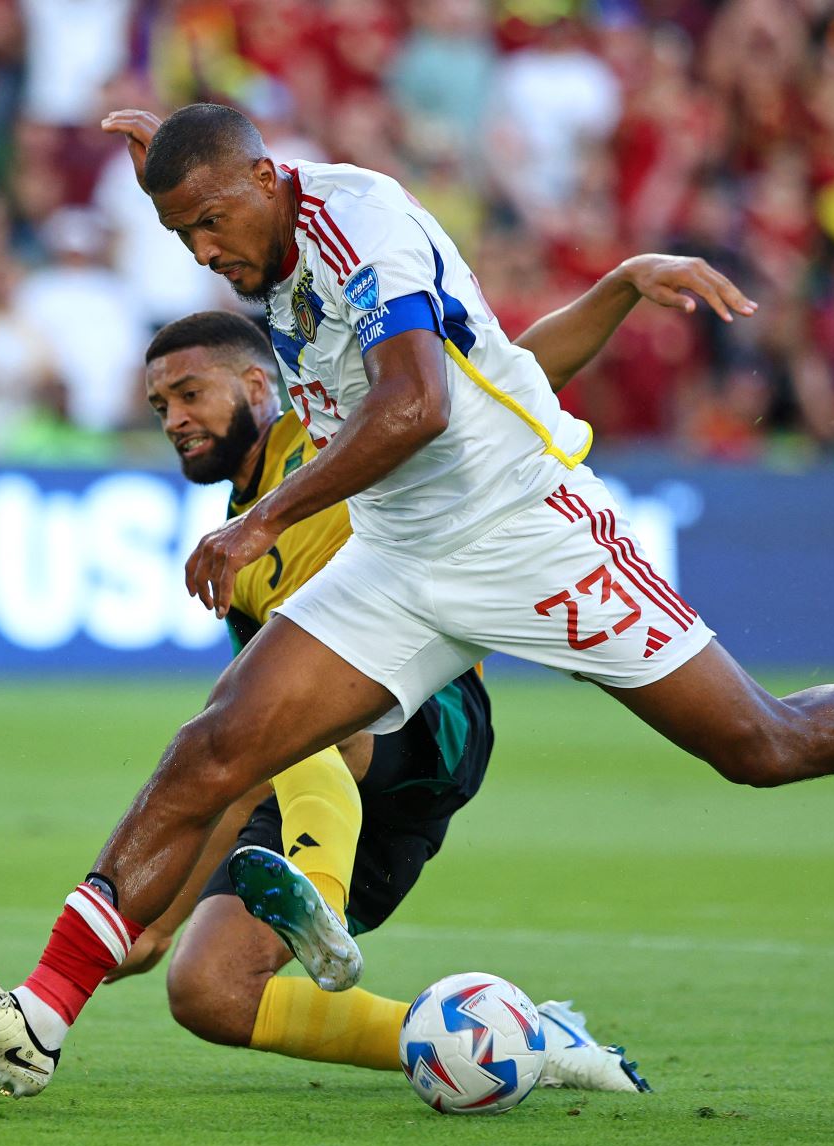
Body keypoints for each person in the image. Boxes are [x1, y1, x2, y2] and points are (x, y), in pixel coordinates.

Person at [0, 103, 834, 1098]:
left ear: (266, 177)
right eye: (185, 236)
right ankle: (39, 1015)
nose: (207, 253)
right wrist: (174, 153)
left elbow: (418, 404)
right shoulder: (253, 219)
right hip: (401, 553)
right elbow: (491, 363)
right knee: (216, 743)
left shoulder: (355, 223)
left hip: (527, 537)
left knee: (761, 744)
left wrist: (263, 515)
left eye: (213, 222)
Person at [92, 308, 672, 1093]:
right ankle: (517, 1040)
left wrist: (621, 288)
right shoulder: (241, 554)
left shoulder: (333, 427)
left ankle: (318, 900)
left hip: (431, 722)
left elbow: (511, 375)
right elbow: (231, 756)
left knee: (298, 716)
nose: (175, 420)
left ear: (258, 382)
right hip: (321, 782)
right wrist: (156, 925)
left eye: (190, 394)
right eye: (161, 407)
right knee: (209, 994)